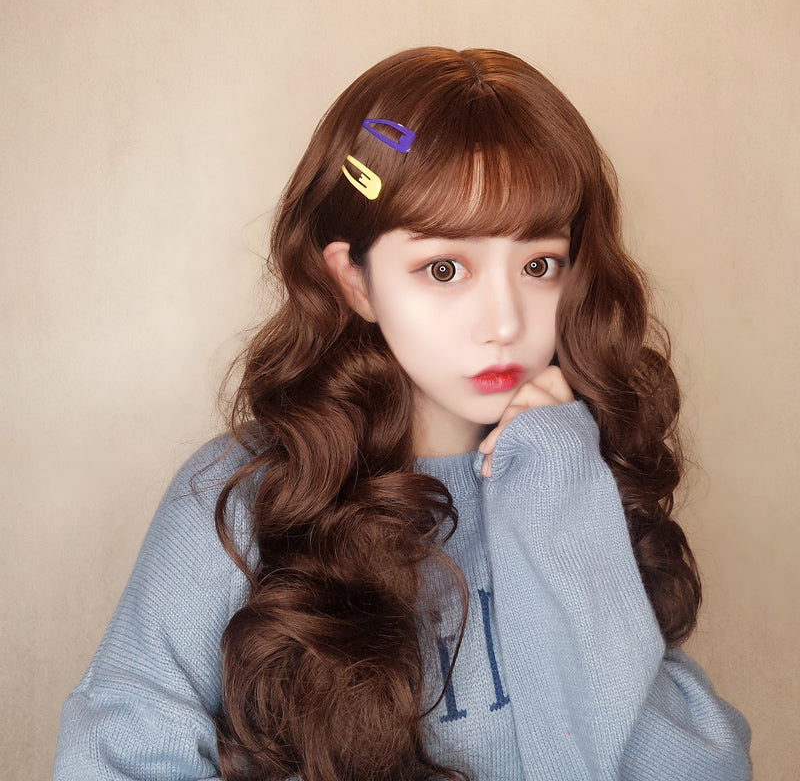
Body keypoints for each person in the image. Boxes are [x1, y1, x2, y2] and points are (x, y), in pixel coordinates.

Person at [53, 47, 752, 781]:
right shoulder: (246, 492)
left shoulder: (575, 470)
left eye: (538, 265)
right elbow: (117, 753)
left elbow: (697, 769)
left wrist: (562, 491)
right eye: (444, 269)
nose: (504, 322)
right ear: (354, 281)